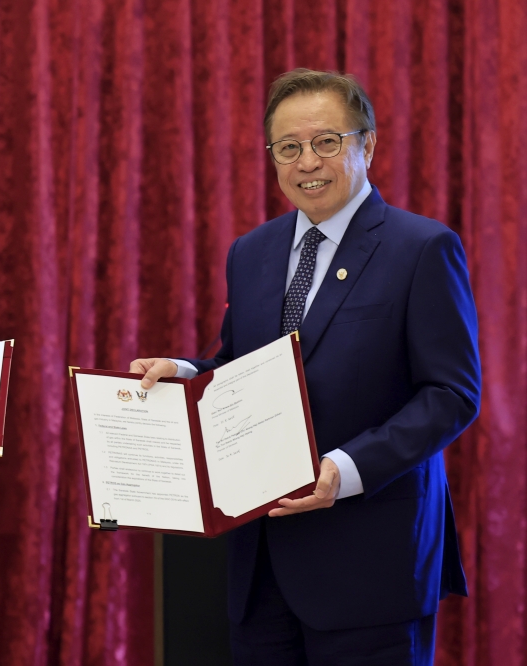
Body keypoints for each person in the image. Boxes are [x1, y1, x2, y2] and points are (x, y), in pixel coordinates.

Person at [131, 69, 480, 665]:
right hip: (259, 561)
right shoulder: (252, 252)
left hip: (371, 566)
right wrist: (189, 376)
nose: (306, 162)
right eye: (288, 147)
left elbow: (451, 394)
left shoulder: (422, 248)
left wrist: (345, 470)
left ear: (366, 145)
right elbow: (241, 366)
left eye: (326, 142)